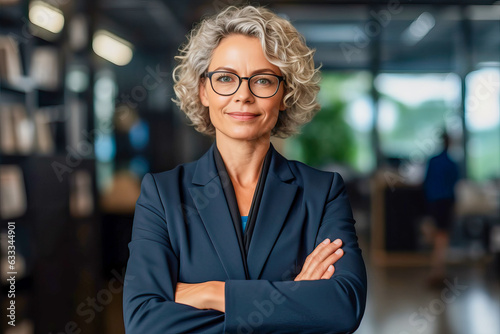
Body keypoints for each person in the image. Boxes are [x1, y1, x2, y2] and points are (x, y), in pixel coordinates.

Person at [123, 5, 367, 333]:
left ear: (284, 94)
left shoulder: (322, 192)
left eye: (263, 81)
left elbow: (342, 306)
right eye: (225, 78)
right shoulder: (162, 194)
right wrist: (296, 303)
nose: (243, 96)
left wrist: (212, 292)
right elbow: (143, 322)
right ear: (203, 90)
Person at [423, 132, 460, 286]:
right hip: (445, 202)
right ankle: (438, 272)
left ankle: (437, 271)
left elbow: (426, 183)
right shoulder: (451, 163)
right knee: (442, 237)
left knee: (438, 236)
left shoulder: (433, 161)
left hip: (434, 202)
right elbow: (454, 184)